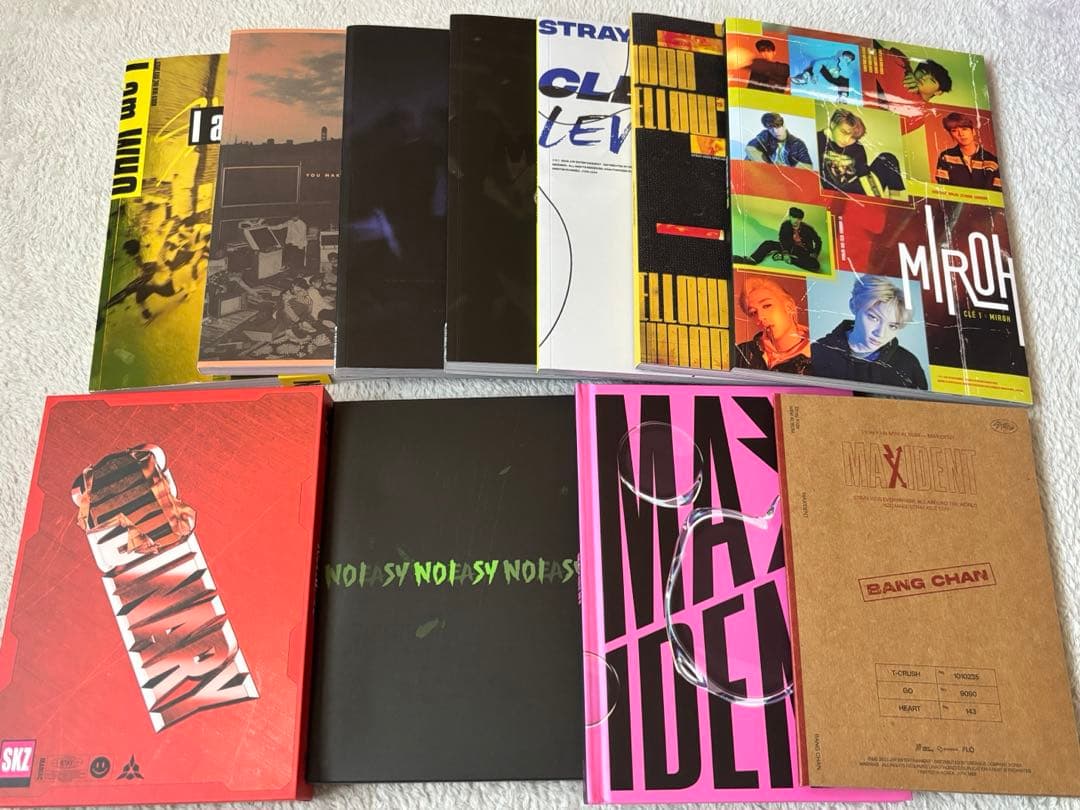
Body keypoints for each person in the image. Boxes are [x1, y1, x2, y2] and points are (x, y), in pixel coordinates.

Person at [812, 274, 927, 389]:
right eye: (874, 318)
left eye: (892, 326)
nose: (880, 333)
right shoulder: (818, 350)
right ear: (853, 306)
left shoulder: (909, 364)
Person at [818, 109, 905, 198]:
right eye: (844, 132)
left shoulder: (857, 147)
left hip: (861, 188)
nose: (847, 140)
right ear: (833, 124)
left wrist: (873, 190)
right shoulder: (817, 139)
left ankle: (895, 201)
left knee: (888, 158)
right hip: (838, 193)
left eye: (853, 137)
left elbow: (864, 174)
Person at [735, 276, 812, 373]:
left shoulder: (821, 355)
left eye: (767, 306)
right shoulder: (741, 353)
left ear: (789, 307)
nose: (760, 317)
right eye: (753, 312)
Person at [734, 207, 822, 271]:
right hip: (789, 247)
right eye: (793, 217)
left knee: (815, 265)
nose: (796, 220)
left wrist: (815, 253)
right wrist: (786, 252)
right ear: (790, 217)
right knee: (768, 243)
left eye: (798, 219)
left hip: (803, 251)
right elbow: (782, 239)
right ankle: (752, 260)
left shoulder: (807, 228)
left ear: (801, 219)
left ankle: (790, 260)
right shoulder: (786, 225)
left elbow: (818, 241)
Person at [934, 112, 1001, 191]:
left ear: (973, 131)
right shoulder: (945, 157)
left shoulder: (992, 161)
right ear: (951, 135)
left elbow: (997, 192)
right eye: (954, 131)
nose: (961, 134)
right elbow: (943, 189)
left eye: (964, 129)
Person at [745, 113, 813, 168]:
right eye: (771, 128)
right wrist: (767, 167)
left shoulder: (798, 144)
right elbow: (750, 148)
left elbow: (808, 166)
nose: (775, 131)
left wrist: (790, 171)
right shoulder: (766, 135)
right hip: (766, 173)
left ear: (784, 125)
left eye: (777, 126)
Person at [792, 50, 857, 99]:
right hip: (828, 75)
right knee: (818, 66)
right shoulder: (832, 61)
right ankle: (804, 77)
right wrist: (815, 75)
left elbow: (846, 75)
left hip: (837, 80)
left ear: (850, 61)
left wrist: (843, 64)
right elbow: (818, 62)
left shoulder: (849, 69)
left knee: (845, 79)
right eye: (846, 57)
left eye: (849, 59)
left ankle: (843, 95)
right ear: (841, 56)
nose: (847, 59)